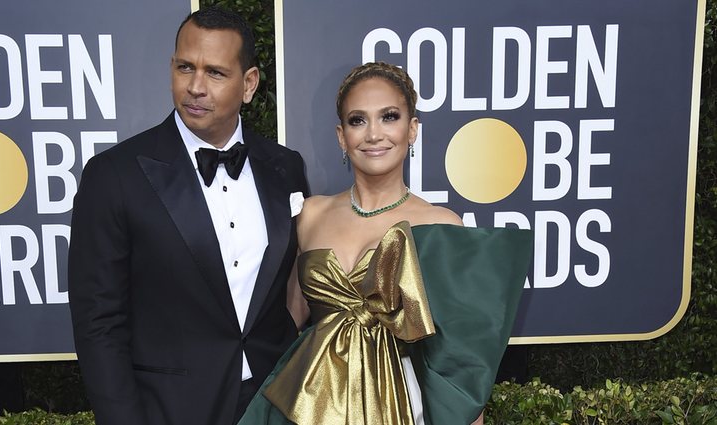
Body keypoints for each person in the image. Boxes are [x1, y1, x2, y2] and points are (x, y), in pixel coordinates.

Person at [238, 62, 533, 425]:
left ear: (412, 130)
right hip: (313, 405)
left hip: (404, 405)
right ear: (341, 136)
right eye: (357, 120)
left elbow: (460, 367)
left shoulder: (441, 225)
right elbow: (285, 324)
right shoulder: (310, 215)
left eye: (389, 117)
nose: (373, 133)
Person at [68, 5, 309, 425]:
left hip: (275, 402)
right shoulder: (114, 175)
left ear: (249, 84)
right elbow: (99, 325)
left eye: (215, 73)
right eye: (185, 67)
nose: (196, 87)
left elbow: (296, 286)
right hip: (169, 408)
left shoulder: (284, 167)